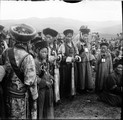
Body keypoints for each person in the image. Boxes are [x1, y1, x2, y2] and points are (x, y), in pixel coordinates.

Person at [0, 24, 38, 119]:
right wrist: (34, 98)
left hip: (6, 94)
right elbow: (30, 82)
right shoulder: (28, 57)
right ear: (28, 41)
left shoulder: (6, 51)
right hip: (20, 98)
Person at [34, 40, 54, 119]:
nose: (45, 54)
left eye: (46, 52)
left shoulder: (45, 61)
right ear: (38, 51)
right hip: (41, 89)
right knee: (41, 107)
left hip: (48, 88)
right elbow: (34, 77)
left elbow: (47, 73)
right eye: (43, 52)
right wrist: (44, 82)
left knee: (48, 105)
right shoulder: (35, 62)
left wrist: (51, 78)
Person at [60, 29, 81, 99]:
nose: (70, 38)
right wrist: (69, 59)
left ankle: (73, 92)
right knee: (66, 79)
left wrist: (76, 57)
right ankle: (66, 94)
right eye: (68, 36)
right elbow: (61, 57)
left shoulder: (73, 45)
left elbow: (77, 53)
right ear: (65, 37)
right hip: (66, 66)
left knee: (74, 78)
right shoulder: (62, 46)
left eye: (71, 36)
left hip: (73, 65)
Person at [43, 28, 61, 104]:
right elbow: (45, 58)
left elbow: (59, 53)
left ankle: (56, 98)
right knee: (49, 82)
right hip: (47, 67)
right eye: (46, 37)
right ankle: (49, 100)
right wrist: (53, 58)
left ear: (53, 38)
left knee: (56, 82)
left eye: (49, 37)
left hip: (55, 67)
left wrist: (59, 57)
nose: (48, 39)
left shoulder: (55, 46)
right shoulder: (45, 47)